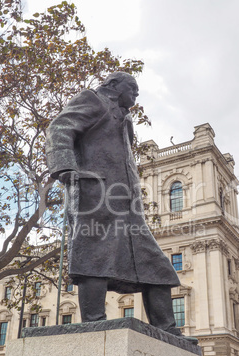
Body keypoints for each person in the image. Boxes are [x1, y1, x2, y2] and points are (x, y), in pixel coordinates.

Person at [46, 72, 193, 340]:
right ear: (114, 86)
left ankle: (167, 328)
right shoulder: (92, 100)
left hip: (128, 204)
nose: (136, 94)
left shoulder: (125, 120)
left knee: (156, 264)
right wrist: (65, 166)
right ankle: (94, 322)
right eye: (132, 88)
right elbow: (59, 128)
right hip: (95, 193)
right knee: (94, 256)